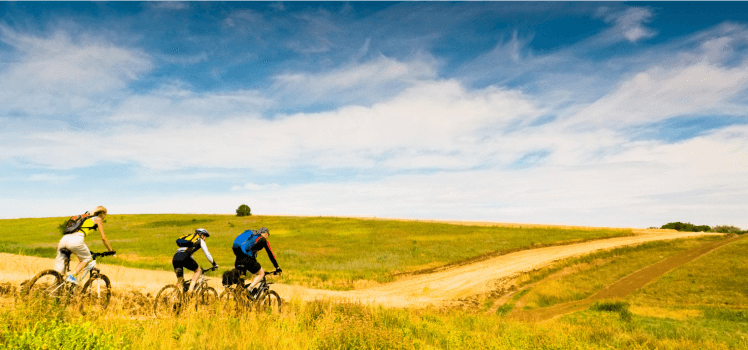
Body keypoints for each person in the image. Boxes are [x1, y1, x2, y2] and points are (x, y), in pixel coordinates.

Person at [55, 206, 115, 284]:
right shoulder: (98, 219)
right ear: (102, 213)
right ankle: (72, 276)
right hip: (76, 239)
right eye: (105, 214)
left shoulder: (84, 218)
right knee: (86, 258)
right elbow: (104, 238)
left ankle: (55, 283)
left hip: (64, 239)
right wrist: (110, 250)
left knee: (60, 265)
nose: (105, 216)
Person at [232, 227, 281, 297]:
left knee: (241, 282)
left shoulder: (251, 237)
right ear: (266, 234)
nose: (267, 237)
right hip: (247, 259)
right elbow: (270, 254)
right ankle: (249, 289)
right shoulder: (263, 240)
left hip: (238, 259)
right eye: (268, 235)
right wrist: (277, 267)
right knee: (261, 273)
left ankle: (238, 299)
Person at [173, 228, 218, 293]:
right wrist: (214, 264)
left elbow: (189, 255)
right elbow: (207, 254)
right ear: (201, 235)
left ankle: (173, 295)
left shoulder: (189, 238)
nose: (205, 238)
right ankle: (190, 291)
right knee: (198, 271)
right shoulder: (200, 240)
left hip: (175, 257)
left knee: (180, 280)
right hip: (184, 257)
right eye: (205, 236)